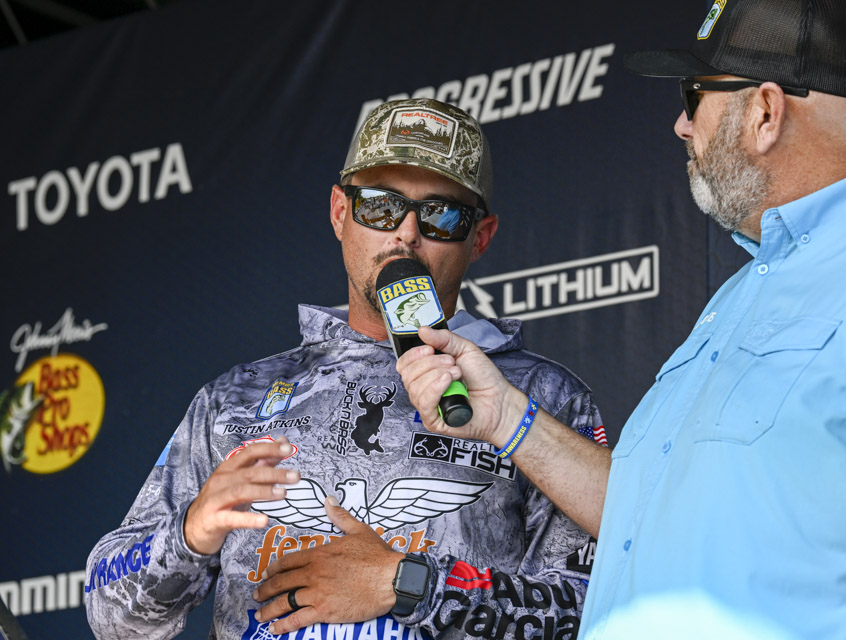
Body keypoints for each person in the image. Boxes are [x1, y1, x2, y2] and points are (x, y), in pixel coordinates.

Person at [397, 1, 846, 638]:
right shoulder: (749, 286)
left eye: (694, 97)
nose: (681, 126)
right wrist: (505, 416)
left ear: (766, 113)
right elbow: (644, 514)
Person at [84, 98, 605, 640]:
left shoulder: (540, 399)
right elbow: (110, 618)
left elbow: (592, 610)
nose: (406, 233)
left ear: (480, 237)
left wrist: (415, 586)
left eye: (441, 215)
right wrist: (189, 534)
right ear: (340, 212)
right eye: (380, 206)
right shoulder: (234, 399)